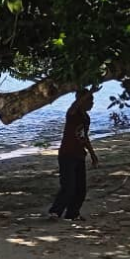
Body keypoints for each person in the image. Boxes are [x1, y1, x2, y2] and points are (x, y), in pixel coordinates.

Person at [48, 89, 99, 221]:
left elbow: (84, 137)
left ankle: (73, 213)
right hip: (67, 155)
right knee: (68, 186)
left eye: (92, 100)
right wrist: (88, 92)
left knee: (81, 188)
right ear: (81, 101)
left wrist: (93, 154)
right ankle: (55, 211)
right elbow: (74, 105)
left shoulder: (86, 118)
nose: (92, 103)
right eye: (89, 100)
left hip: (79, 155)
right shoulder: (72, 114)